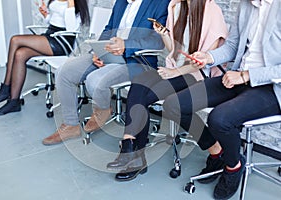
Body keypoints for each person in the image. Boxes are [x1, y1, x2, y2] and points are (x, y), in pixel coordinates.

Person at [162, 0, 281, 199]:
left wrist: (246, 76)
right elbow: (233, 46)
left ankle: (234, 166)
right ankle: (216, 152)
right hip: (236, 77)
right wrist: (208, 56)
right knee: (174, 105)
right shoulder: (246, 5)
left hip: (270, 87)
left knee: (220, 119)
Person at [106, 0, 228, 182]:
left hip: (196, 75)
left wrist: (174, 72)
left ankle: (135, 156)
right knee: (141, 82)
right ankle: (129, 145)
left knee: (152, 97)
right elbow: (175, 51)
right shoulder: (177, 7)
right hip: (175, 70)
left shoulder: (212, 11)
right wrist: (163, 35)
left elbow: (203, 63)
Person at [41, 0, 170, 145]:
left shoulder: (159, 3)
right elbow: (109, 28)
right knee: (63, 72)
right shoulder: (121, 2)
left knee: (95, 80)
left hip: (136, 59)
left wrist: (126, 45)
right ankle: (71, 125)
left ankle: (102, 109)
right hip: (109, 52)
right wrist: (98, 51)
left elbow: (157, 41)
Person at [0, 0, 90, 116]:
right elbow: (54, 19)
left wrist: (71, 3)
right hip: (50, 34)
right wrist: (46, 15)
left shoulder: (75, 3)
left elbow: (71, 27)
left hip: (62, 41)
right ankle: (14, 101)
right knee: (20, 54)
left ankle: (6, 87)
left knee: (15, 40)